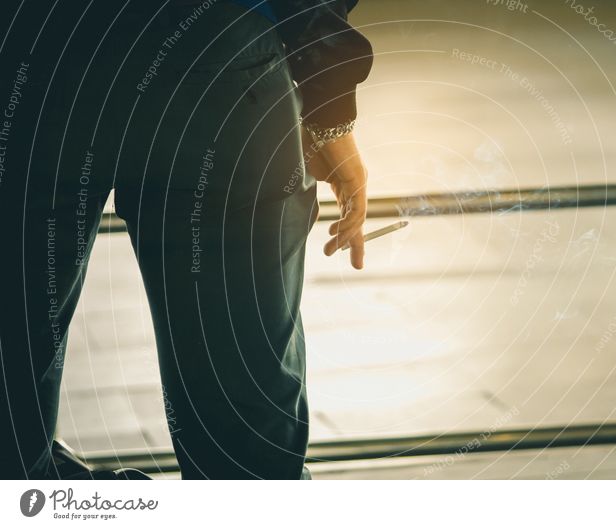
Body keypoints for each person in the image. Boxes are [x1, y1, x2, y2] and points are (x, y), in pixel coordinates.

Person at [0, 0, 372, 479]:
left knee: (11, 395)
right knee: (245, 422)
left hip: (37, 59)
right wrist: (331, 113)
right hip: (219, 60)